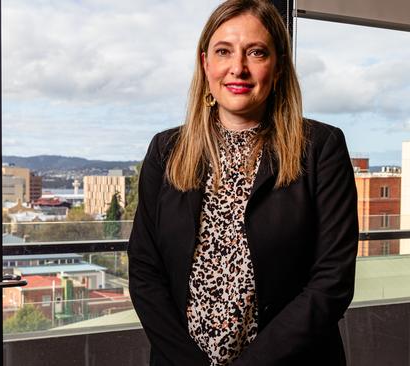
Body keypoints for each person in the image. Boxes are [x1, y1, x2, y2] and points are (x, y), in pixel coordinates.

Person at [128, 0, 359, 365]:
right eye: (224, 52)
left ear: (278, 66)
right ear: (206, 63)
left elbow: (332, 282)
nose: (238, 68)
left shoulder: (320, 149)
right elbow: (144, 270)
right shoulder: (166, 149)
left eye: (256, 52)